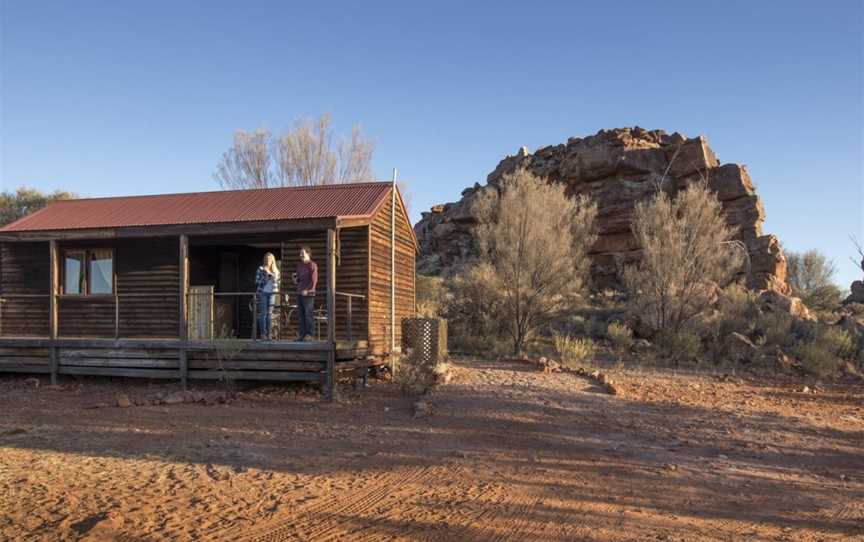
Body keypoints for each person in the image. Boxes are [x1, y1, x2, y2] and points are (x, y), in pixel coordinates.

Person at [294, 246, 318, 341]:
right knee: (301, 315)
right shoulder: (299, 265)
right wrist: (295, 280)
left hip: (309, 294)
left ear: (308, 254)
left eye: (303, 253)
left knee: (308, 315)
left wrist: (308, 290)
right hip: (299, 292)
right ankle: (302, 335)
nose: (301, 255)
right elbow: (298, 279)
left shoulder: (312, 265)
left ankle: (310, 335)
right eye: (300, 254)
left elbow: (314, 280)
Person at [254, 252, 280, 339]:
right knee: (263, 314)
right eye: (267, 259)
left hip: (272, 293)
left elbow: (279, 284)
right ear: (264, 260)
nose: (268, 260)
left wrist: (275, 279)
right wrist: (266, 278)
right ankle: (263, 334)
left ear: (273, 260)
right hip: (263, 293)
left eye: (270, 259)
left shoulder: (276, 271)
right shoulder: (260, 269)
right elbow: (257, 282)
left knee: (270, 314)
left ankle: (269, 334)